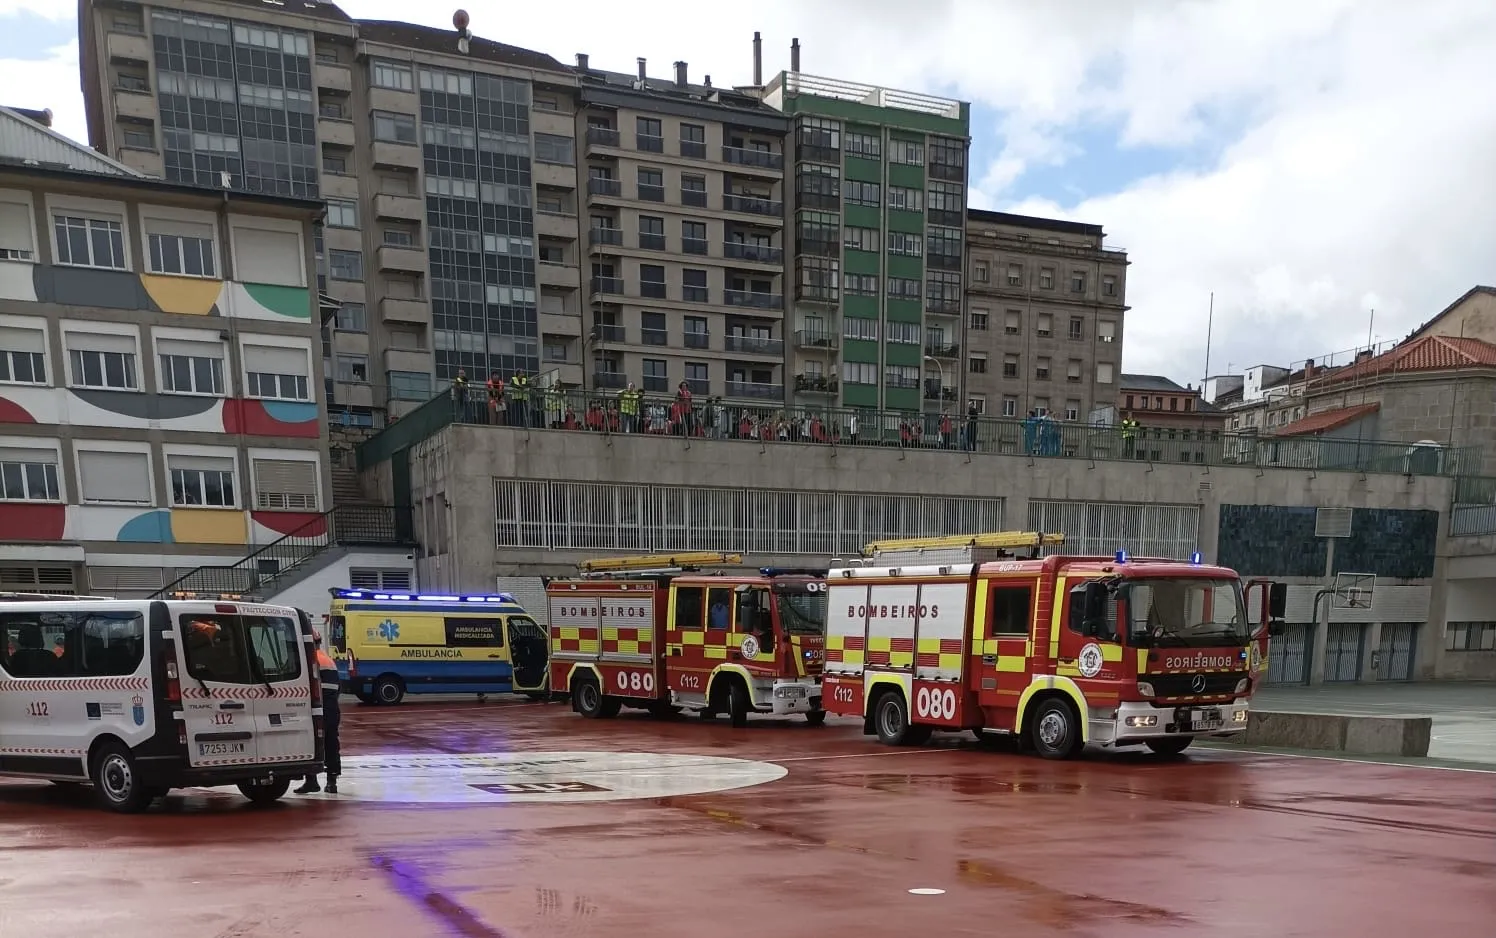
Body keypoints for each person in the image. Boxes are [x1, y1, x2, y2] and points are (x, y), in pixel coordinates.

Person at [297, 630, 341, 794]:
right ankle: (332, 781)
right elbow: (338, 688)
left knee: (312, 743)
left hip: (317, 709)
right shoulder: (327, 659)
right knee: (331, 743)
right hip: (331, 707)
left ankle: (311, 780)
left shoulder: (311, 660)